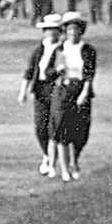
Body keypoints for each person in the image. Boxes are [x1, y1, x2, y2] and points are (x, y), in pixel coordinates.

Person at [49, 11, 97, 181]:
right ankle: (64, 169)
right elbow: (49, 72)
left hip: (81, 91)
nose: (72, 33)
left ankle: (74, 161)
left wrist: (85, 92)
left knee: (81, 131)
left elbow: (90, 74)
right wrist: (57, 71)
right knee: (62, 130)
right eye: (69, 29)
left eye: (75, 29)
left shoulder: (88, 50)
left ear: (80, 31)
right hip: (63, 91)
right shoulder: (60, 49)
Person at [21, 13, 66, 175]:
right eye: (48, 30)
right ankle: (47, 155)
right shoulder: (39, 49)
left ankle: (53, 159)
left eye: (55, 30)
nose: (52, 33)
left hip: (57, 90)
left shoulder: (63, 49)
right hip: (40, 90)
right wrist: (23, 92)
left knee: (54, 125)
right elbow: (30, 71)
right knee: (40, 125)